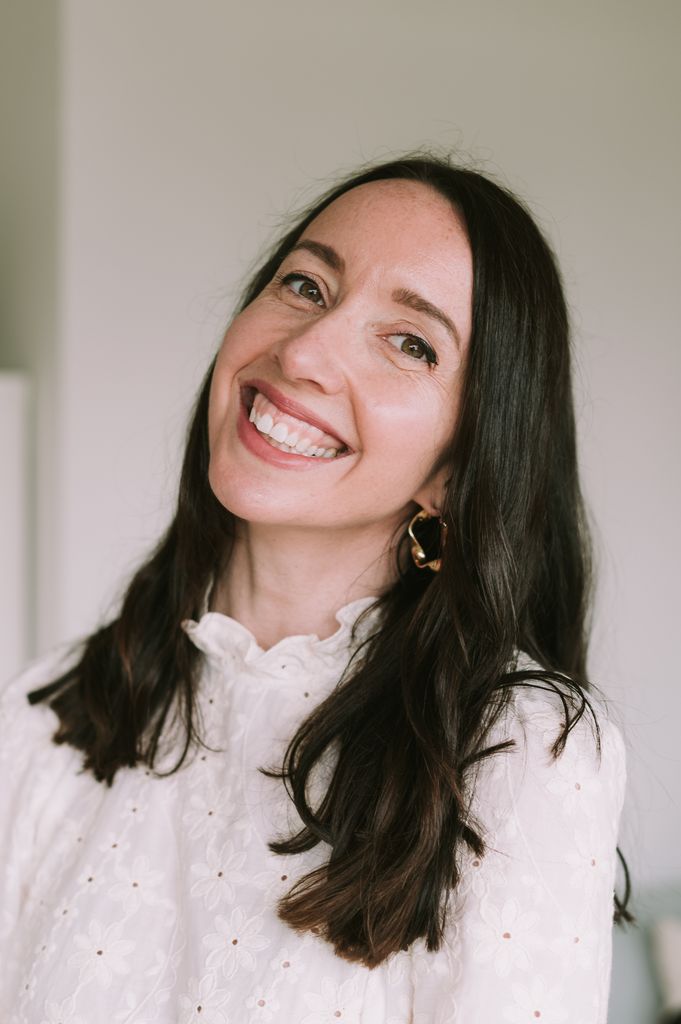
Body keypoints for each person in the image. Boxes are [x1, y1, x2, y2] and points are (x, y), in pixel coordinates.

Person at [0, 154, 629, 1023]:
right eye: (304, 285)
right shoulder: (42, 720)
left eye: (411, 342)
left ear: (458, 467)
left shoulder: (519, 747)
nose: (303, 352)